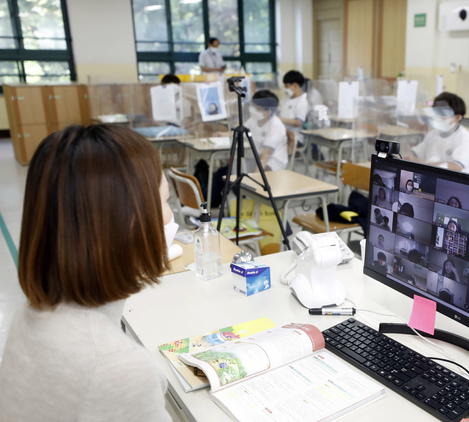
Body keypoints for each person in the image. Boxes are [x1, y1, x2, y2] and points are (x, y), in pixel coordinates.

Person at [0, 125, 173, 420]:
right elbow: (116, 377)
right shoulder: (115, 367)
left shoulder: (34, 313)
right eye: (166, 202)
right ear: (129, 222)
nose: (170, 217)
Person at [208, 90, 288, 207]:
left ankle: (246, 205)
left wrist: (254, 180)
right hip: (254, 160)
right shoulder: (254, 120)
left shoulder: (276, 126)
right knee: (223, 173)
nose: (253, 110)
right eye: (253, 106)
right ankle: (202, 206)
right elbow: (241, 131)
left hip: (271, 165)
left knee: (235, 179)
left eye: (257, 108)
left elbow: (265, 156)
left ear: (268, 111)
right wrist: (222, 134)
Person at [408, 92, 469, 174]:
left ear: (457, 117)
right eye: (436, 113)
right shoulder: (433, 134)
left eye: (443, 114)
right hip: (432, 176)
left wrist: (423, 162)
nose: (438, 117)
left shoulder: (465, 139)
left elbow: (455, 167)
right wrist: (410, 157)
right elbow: (413, 153)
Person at [279, 70, 309, 148]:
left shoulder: (302, 101)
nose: (285, 89)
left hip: (295, 137)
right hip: (285, 134)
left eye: (287, 86)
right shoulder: (289, 99)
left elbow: (298, 122)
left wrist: (279, 119)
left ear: (295, 86)